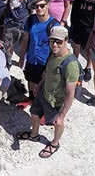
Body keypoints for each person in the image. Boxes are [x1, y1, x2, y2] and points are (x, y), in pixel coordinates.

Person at [16, 26, 79, 159]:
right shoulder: (53, 53)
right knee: (34, 113)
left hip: (56, 101)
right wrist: (39, 85)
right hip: (43, 93)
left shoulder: (71, 65)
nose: (54, 44)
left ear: (66, 40)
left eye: (58, 42)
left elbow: (70, 93)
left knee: (57, 123)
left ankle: (55, 143)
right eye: (52, 41)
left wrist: (62, 115)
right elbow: (47, 72)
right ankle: (34, 134)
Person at [18, 0, 59, 102]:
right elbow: (26, 39)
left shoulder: (54, 25)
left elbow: (57, 51)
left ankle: (41, 106)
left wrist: (49, 67)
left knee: (43, 84)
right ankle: (31, 99)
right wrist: (22, 57)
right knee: (30, 79)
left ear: (48, 5)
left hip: (45, 61)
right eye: (36, 6)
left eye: (42, 6)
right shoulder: (30, 20)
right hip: (32, 58)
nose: (39, 8)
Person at [0, 0, 36, 67]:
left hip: (23, 24)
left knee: (23, 46)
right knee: (8, 45)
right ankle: (8, 61)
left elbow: (33, 10)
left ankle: (21, 61)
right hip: (10, 22)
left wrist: (31, 26)